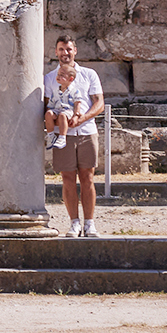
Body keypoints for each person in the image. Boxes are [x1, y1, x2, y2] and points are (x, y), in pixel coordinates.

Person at [43, 36, 103, 237]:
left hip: (86, 131)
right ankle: (74, 223)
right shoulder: (50, 78)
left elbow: (99, 103)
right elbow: (45, 106)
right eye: (61, 49)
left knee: (88, 177)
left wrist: (82, 118)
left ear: (75, 50)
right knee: (67, 178)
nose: (65, 53)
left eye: (68, 49)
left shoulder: (88, 74)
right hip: (64, 134)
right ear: (56, 52)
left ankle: (90, 223)